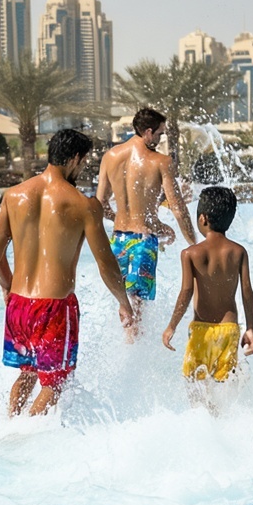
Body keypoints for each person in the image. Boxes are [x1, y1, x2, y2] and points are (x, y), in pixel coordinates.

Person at [0, 129, 135, 416]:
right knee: (55, 382)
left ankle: (10, 427)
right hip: (53, 308)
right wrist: (124, 302)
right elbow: (106, 264)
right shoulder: (84, 204)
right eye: (84, 163)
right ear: (74, 159)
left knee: (28, 374)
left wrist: (7, 287)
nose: (82, 169)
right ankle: (25, 440)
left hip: (18, 304)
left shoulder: (13, 195)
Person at [96, 108, 197, 339]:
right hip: (143, 244)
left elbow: (100, 205)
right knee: (138, 311)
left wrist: (121, 217)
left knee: (124, 306)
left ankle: (124, 356)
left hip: (118, 241)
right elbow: (179, 209)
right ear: (148, 132)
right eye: (160, 134)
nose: (161, 140)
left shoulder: (110, 156)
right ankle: (134, 359)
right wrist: (194, 243)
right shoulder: (161, 161)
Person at [160, 186, 253, 408]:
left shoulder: (190, 254)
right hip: (229, 329)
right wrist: (250, 328)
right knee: (224, 387)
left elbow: (186, 292)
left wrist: (171, 326)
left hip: (201, 332)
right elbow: (247, 292)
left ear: (202, 218)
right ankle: (223, 425)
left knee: (195, 388)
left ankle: (203, 428)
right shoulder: (238, 252)